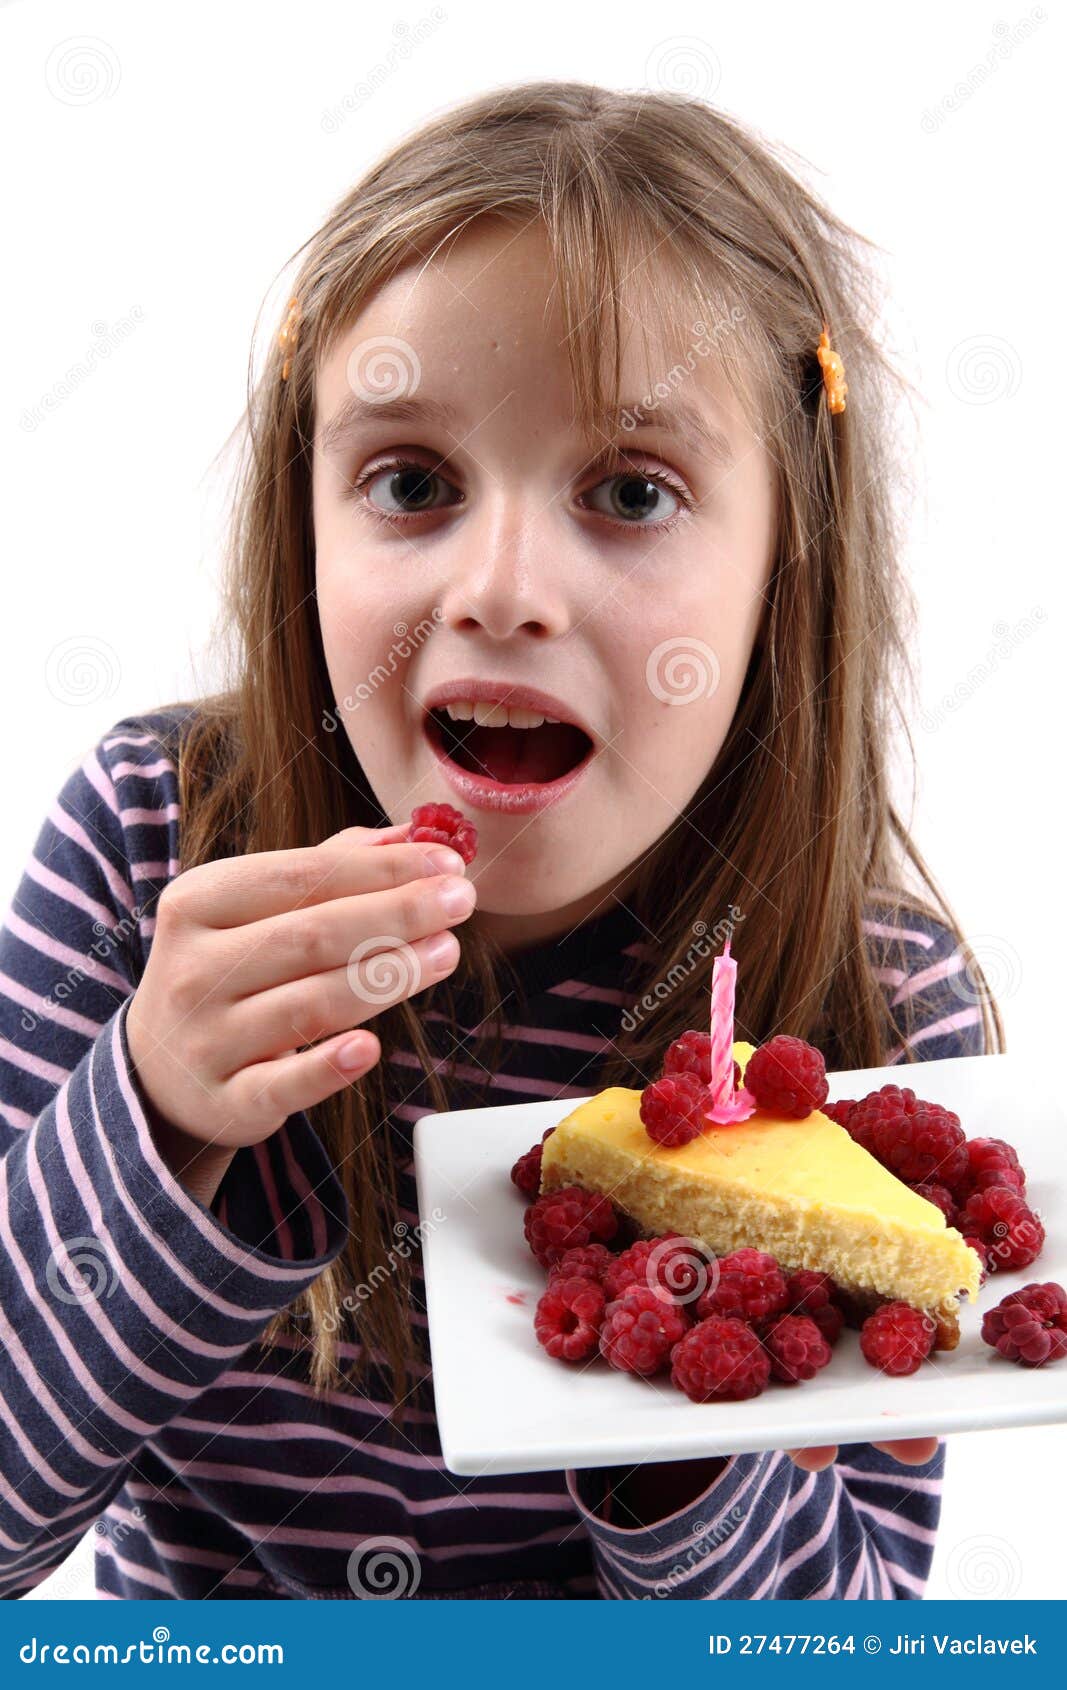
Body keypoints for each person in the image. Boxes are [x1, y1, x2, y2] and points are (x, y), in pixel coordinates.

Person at [0, 81, 1001, 1601]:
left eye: (630, 491)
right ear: (307, 518)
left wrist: (680, 1404)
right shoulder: (155, 855)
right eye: (411, 482)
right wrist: (154, 1119)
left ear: (784, 559)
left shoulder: (873, 998)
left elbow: (846, 1650)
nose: (504, 587)